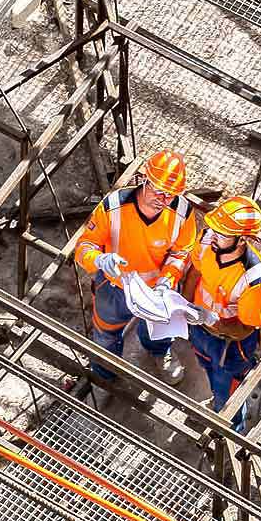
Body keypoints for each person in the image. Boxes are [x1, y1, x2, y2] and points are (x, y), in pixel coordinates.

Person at [70, 149, 194, 396]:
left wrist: (167, 281)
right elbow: (84, 246)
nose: (162, 198)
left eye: (170, 195)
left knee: (159, 330)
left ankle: (159, 351)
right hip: (115, 287)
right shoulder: (114, 206)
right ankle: (105, 372)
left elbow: (182, 252)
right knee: (106, 333)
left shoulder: (182, 213)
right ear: (143, 180)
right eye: (157, 190)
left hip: (157, 291)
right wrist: (100, 259)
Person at [183, 194, 261, 434]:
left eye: (222, 233)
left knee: (229, 391)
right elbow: (195, 273)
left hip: (230, 345)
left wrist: (213, 320)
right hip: (199, 328)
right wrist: (185, 305)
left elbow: (246, 326)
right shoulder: (206, 241)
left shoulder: (256, 279)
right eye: (213, 228)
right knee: (207, 368)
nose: (213, 235)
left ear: (242, 239)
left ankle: (232, 433)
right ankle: (216, 403)